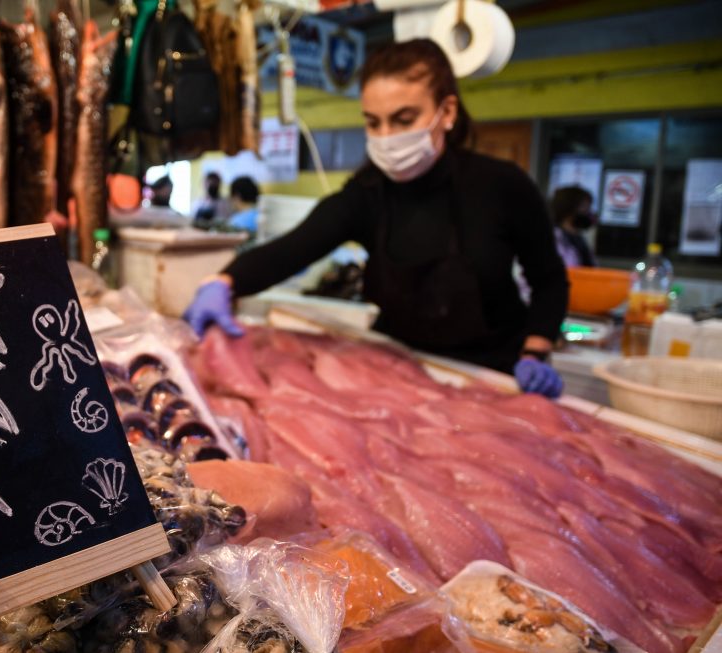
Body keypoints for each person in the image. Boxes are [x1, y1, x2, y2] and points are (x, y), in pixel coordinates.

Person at [183, 39, 568, 398]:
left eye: (404, 120)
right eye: (373, 122)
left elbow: (549, 280)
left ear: (446, 111)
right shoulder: (365, 194)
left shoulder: (501, 185)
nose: (387, 137)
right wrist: (225, 280)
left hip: (491, 371)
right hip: (395, 370)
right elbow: (293, 249)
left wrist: (535, 351)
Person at [551, 186, 597, 268]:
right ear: (569, 209)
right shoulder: (552, 238)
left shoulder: (579, 240)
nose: (588, 212)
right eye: (585, 207)